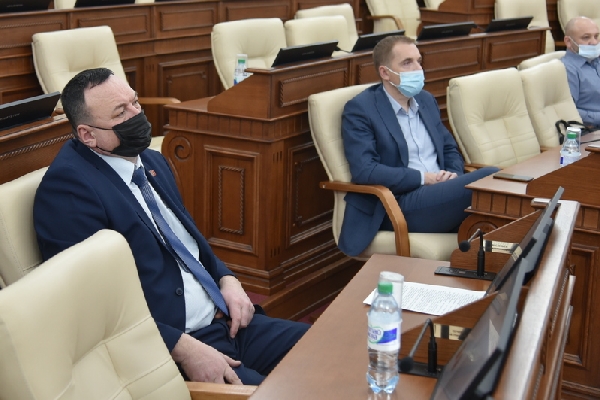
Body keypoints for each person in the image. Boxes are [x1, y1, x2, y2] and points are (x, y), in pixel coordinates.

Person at [33, 68, 309, 386]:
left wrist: (227, 279)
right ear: (87, 135)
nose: (137, 115)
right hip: (175, 346)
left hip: (228, 322)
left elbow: (186, 242)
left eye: (135, 102)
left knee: (329, 350)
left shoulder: (151, 160)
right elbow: (93, 307)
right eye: (120, 112)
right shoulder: (68, 192)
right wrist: (183, 349)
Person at [340, 36, 498, 257]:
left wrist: (452, 176)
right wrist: (424, 178)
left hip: (439, 194)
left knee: (502, 212)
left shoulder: (425, 100)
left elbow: (449, 149)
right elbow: (365, 170)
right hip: (399, 202)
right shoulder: (361, 109)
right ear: (385, 73)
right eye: (407, 63)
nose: (417, 69)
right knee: (491, 176)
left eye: (419, 61)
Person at [562, 16, 600, 130]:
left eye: (596, 36)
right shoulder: (566, 69)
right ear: (568, 42)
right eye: (586, 37)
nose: (594, 42)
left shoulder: (597, 60)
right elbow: (568, 110)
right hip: (591, 129)